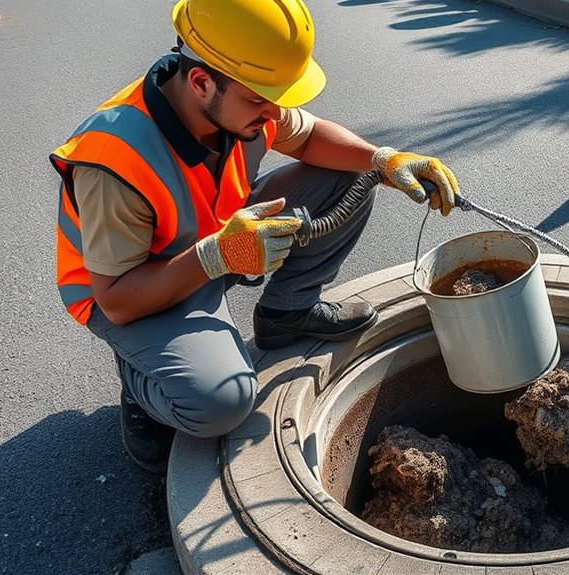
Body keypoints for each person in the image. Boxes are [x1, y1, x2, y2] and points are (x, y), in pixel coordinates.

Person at [50, 0, 460, 474]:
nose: (276, 112)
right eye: (262, 99)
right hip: (139, 288)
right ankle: (140, 383)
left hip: (218, 240)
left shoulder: (235, 103)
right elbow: (117, 299)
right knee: (221, 403)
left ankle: (288, 313)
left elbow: (307, 139)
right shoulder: (115, 160)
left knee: (352, 172)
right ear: (202, 82)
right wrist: (216, 256)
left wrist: (383, 160)